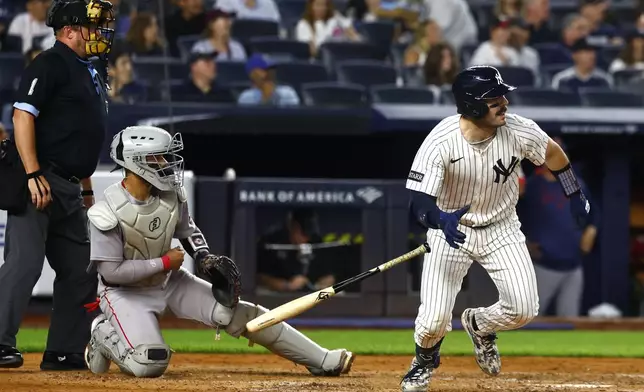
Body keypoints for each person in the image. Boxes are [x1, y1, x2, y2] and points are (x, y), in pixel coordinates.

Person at [83, 125, 355, 378]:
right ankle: (102, 332)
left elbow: (189, 233)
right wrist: (165, 261)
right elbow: (111, 272)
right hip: (124, 293)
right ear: (135, 163)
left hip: (169, 282)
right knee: (149, 362)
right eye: (159, 159)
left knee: (234, 312)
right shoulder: (106, 212)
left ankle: (320, 359)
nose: (167, 165)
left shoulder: (171, 196)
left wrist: (204, 258)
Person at [400, 65, 591, 392]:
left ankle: (479, 325)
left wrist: (574, 191)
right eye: (493, 98)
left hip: (501, 227)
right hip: (451, 231)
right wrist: (439, 220)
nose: (503, 102)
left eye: (502, 95)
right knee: (433, 322)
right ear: (472, 105)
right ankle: (424, 360)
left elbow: (553, 154)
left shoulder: (519, 130)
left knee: (524, 309)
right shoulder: (441, 141)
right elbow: (419, 203)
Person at [0, 0, 115, 370]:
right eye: (91, 27)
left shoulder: (89, 70)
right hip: (41, 179)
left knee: (81, 268)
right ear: (69, 30)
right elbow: (22, 116)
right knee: (24, 264)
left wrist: (85, 188)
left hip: (69, 186)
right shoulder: (49, 63)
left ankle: (64, 350)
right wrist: (33, 173)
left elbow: (79, 135)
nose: (97, 34)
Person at [519, 137, 598, 317]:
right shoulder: (533, 186)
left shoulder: (575, 185)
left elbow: (594, 214)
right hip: (544, 265)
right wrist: (525, 243)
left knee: (570, 320)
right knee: (530, 318)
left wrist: (591, 230)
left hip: (574, 265)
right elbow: (511, 216)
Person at [256, 208, 337, 293]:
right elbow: (260, 277)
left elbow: (329, 275)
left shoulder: (316, 243)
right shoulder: (272, 242)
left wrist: (322, 284)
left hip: (311, 296)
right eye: (303, 234)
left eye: (309, 235)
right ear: (293, 226)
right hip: (278, 295)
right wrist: (287, 286)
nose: (306, 238)